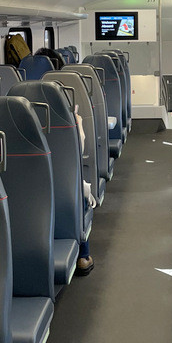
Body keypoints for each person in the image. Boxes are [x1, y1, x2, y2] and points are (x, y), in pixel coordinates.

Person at [74, 104, 96, 276]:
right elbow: (79, 149)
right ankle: (83, 256)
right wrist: (78, 121)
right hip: (68, 193)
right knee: (80, 195)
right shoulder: (71, 123)